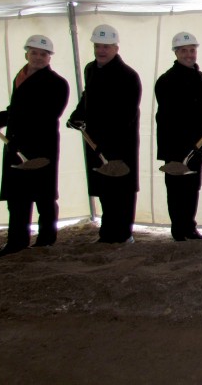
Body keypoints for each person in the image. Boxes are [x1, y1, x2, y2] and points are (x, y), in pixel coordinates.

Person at [0, 35, 69, 256]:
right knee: (17, 196)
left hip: (41, 146)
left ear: (50, 57)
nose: (38, 57)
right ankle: (16, 241)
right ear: (26, 53)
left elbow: (48, 115)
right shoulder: (21, 76)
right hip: (15, 144)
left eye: (43, 54)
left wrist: (17, 129)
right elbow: (17, 109)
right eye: (34, 52)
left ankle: (46, 240)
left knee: (44, 196)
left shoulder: (57, 83)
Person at [68, 24, 142, 244]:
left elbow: (128, 113)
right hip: (94, 140)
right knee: (104, 188)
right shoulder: (91, 69)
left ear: (116, 48)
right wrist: (77, 115)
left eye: (106, 46)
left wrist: (110, 144)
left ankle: (123, 233)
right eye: (98, 46)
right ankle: (107, 232)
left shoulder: (128, 75)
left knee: (121, 189)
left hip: (120, 142)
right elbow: (87, 96)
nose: (101, 50)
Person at [154, 32, 202, 241]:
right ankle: (178, 230)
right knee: (175, 189)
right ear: (176, 52)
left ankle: (190, 228)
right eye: (184, 51)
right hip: (175, 146)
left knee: (192, 187)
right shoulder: (165, 81)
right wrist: (174, 147)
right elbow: (165, 117)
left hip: (197, 145)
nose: (189, 54)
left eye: (192, 50)